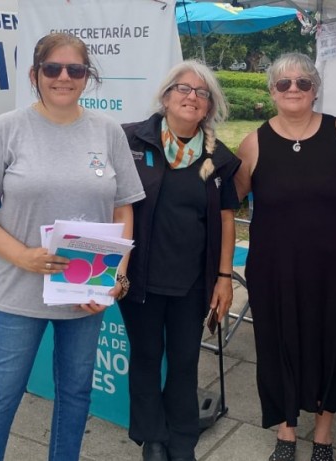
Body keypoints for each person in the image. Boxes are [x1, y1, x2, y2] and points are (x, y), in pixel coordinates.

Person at [0, 33, 145, 461]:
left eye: (75, 70)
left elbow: (122, 209)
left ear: (87, 77)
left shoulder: (108, 131)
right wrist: (22, 256)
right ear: (35, 74)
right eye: (53, 69)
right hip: (18, 295)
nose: (64, 77)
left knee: (76, 395)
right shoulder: (6, 129)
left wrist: (116, 274)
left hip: (84, 296)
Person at [234, 52, 336, 461]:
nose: (293, 89)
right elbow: (233, 199)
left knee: (333, 342)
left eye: (302, 83)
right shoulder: (254, 141)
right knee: (278, 343)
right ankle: (286, 430)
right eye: (283, 83)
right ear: (272, 92)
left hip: (335, 267)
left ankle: (324, 434)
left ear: (315, 90)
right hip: (274, 268)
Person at [118, 60, 240, 461]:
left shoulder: (219, 158)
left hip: (192, 282)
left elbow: (225, 221)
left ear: (208, 107)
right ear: (166, 96)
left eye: (201, 93)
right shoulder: (130, 141)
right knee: (147, 355)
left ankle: (182, 437)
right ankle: (152, 438)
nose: (192, 97)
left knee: (186, 359)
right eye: (183, 89)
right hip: (140, 278)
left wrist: (224, 277)